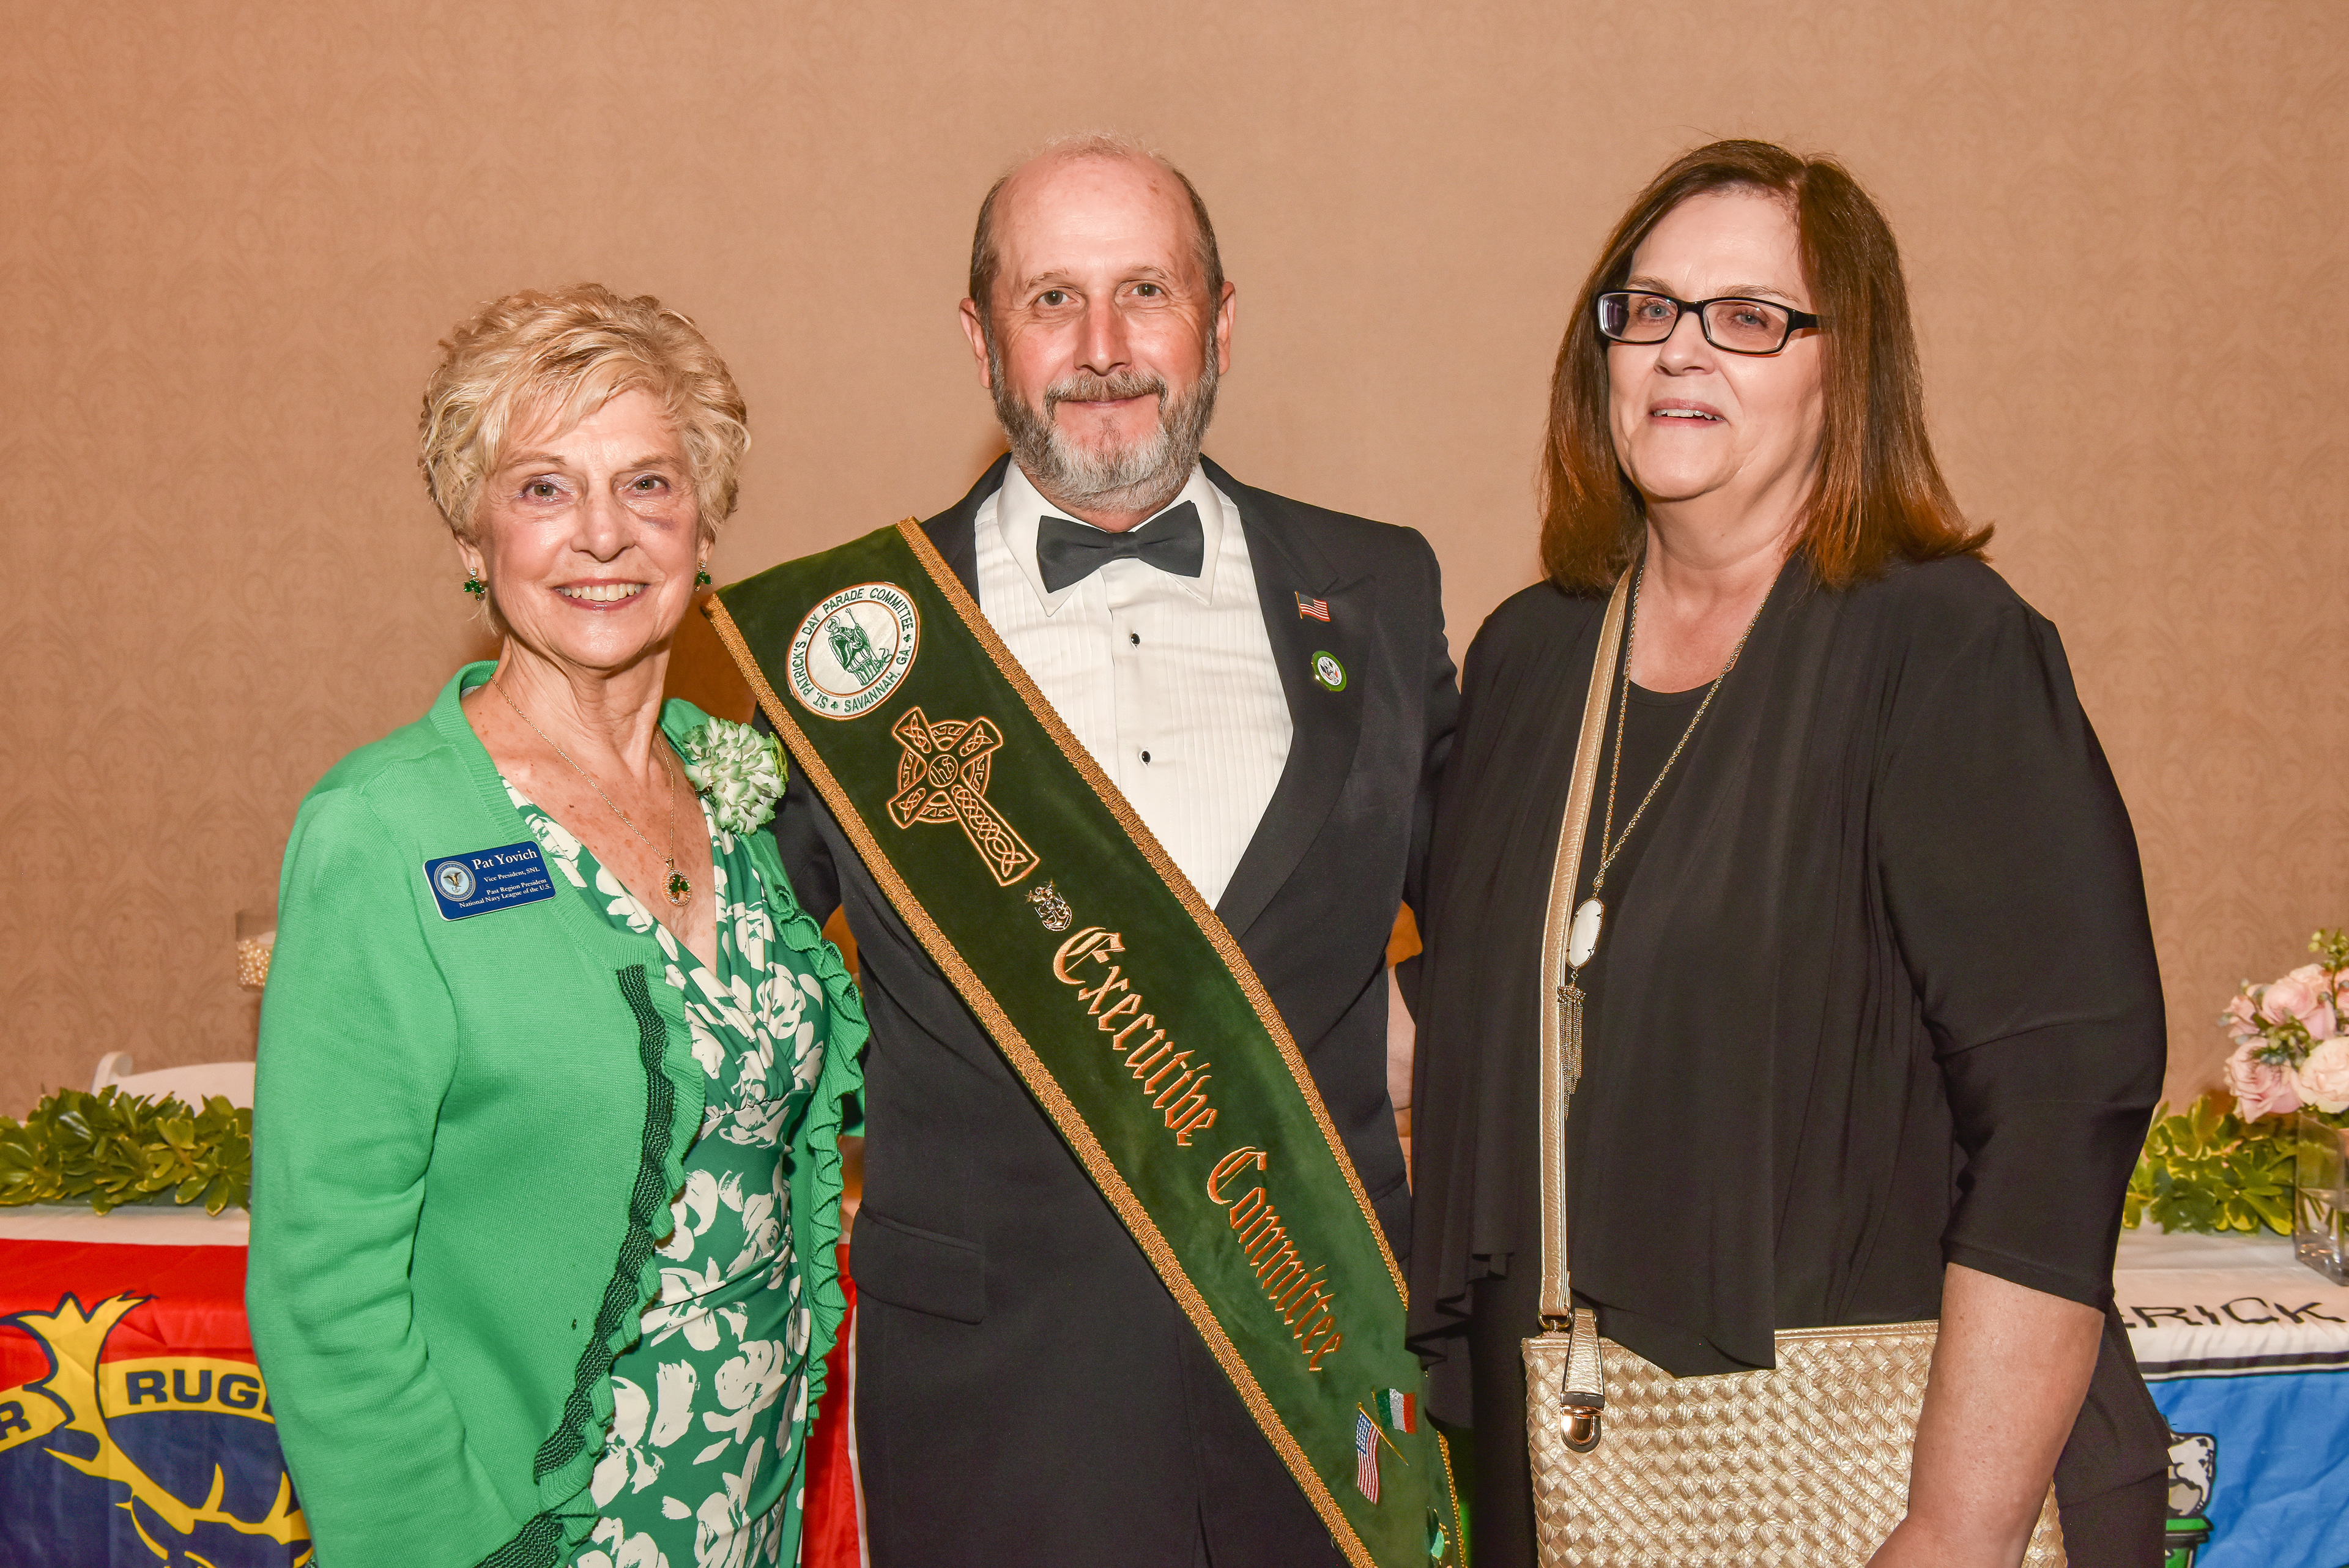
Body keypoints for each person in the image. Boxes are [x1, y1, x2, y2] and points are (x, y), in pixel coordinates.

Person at [1405, 141, 2171, 1568]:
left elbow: (2056, 1118)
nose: (1681, 349)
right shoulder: (1531, 658)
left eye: (1750, 317)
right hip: (1579, 1473)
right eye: (1647, 308)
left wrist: (1955, 1528)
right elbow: (1485, 1001)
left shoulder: (1944, 649)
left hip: (1891, 1479)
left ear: (1846, 370)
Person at [758, 135, 1459, 1566]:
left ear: (1220, 320)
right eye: (1051, 299)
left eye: (1147, 290)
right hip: (994, 1395)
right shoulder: (854, 644)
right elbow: (730, 971)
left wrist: (1402, 1041)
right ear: (980, 339)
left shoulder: (1378, 586)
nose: (1102, 348)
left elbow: (1506, 916)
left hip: (1327, 1365)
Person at [248, 284, 866, 1568]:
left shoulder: (745, 793)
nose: (603, 534)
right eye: (543, 488)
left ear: (703, 525)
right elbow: (323, 1287)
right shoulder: (384, 829)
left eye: (647, 484)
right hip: (526, 1532)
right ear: (472, 538)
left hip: (744, 1514)